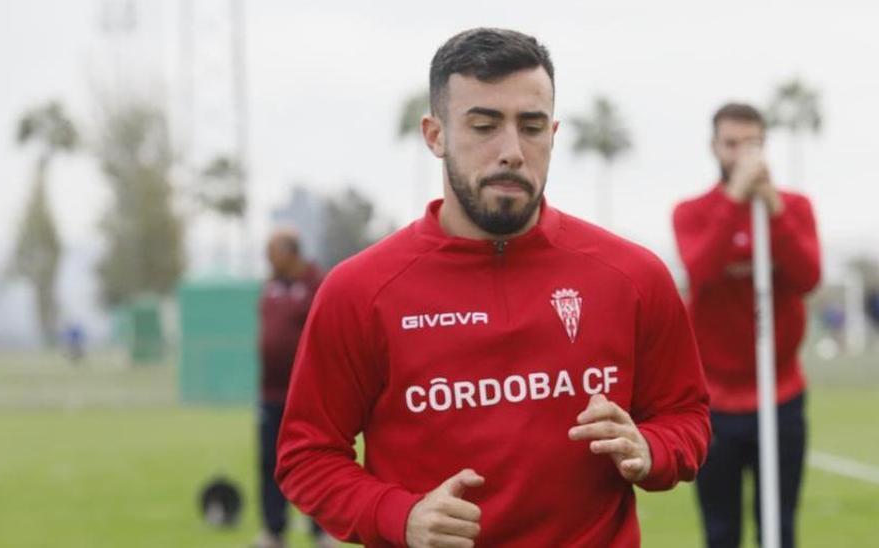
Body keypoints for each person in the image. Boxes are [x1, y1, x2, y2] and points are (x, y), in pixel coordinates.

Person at [275, 28, 710, 547]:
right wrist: (399, 516)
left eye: (530, 127)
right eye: (484, 125)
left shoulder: (633, 276)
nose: (511, 151)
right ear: (435, 135)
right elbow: (307, 455)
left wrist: (652, 448)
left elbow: (686, 415)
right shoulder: (361, 291)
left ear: (553, 133)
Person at [673, 102, 822, 548]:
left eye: (751, 143)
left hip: (781, 394)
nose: (741, 153)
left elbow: (808, 275)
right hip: (715, 400)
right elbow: (700, 268)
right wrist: (735, 198)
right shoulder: (693, 212)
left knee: (779, 526)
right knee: (721, 530)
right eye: (731, 143)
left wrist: (773, 208)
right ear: (714, 147)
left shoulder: (793, 207)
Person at [255, 228, 332, 548]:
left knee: (315, 460)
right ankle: (274, 531)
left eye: (271, 252)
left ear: (290, 252)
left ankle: (321, 529)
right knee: (268, 461)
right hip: (270, 394)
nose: (267, 260)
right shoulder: (271, 287)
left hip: (305, 393)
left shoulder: (317, 284)